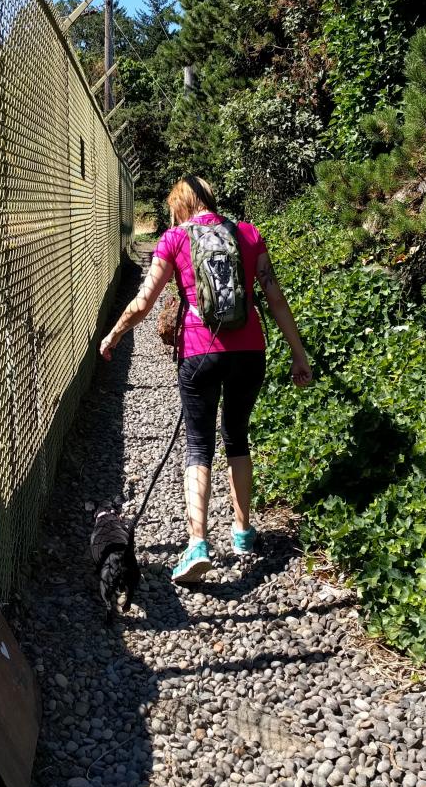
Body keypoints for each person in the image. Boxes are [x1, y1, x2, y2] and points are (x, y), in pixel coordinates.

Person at [99, 174, 312, 585]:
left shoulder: (176, 238)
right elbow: (274, 297)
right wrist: (298, 355)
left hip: (200, 353)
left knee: (198, 445)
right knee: (237, 436)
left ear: (180, 205)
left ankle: (197, 543)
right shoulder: (248, 233)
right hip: (250, 352)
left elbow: (144, 302)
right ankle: (243, 532)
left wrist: (114, 334)